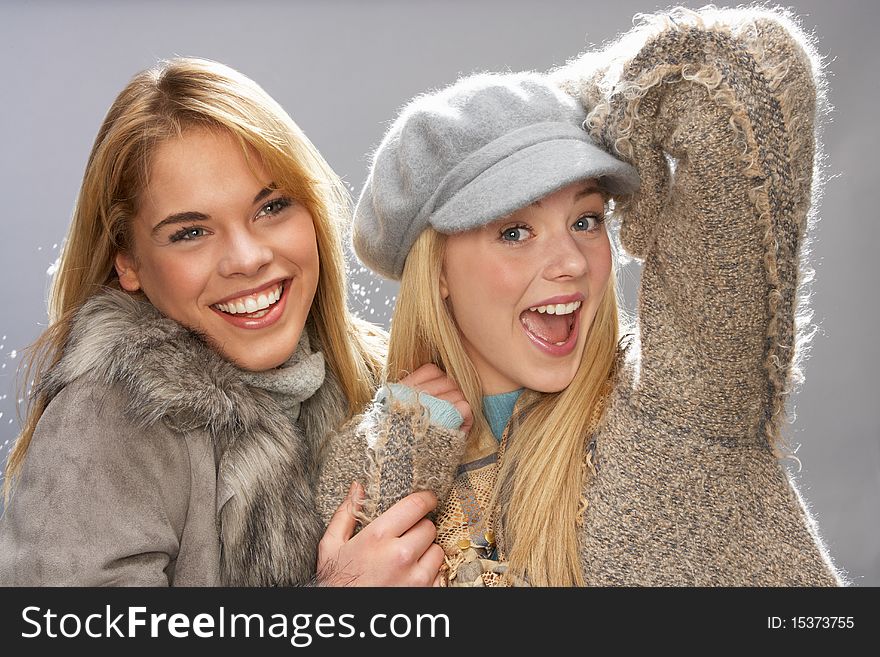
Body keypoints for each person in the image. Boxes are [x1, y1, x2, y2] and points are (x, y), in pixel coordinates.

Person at [318, 6, 845, 586]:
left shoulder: (679, 401)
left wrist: (554, 111)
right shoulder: (369, 453)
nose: (572, 261)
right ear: (437, 271)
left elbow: (754, 68)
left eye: (588, 220)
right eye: (514, 231)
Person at [0, 57, 449, 586]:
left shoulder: (380, 377)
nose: (247, 257)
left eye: (272, 207)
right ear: (128, 262)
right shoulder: (108, 419)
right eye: (191, 232)